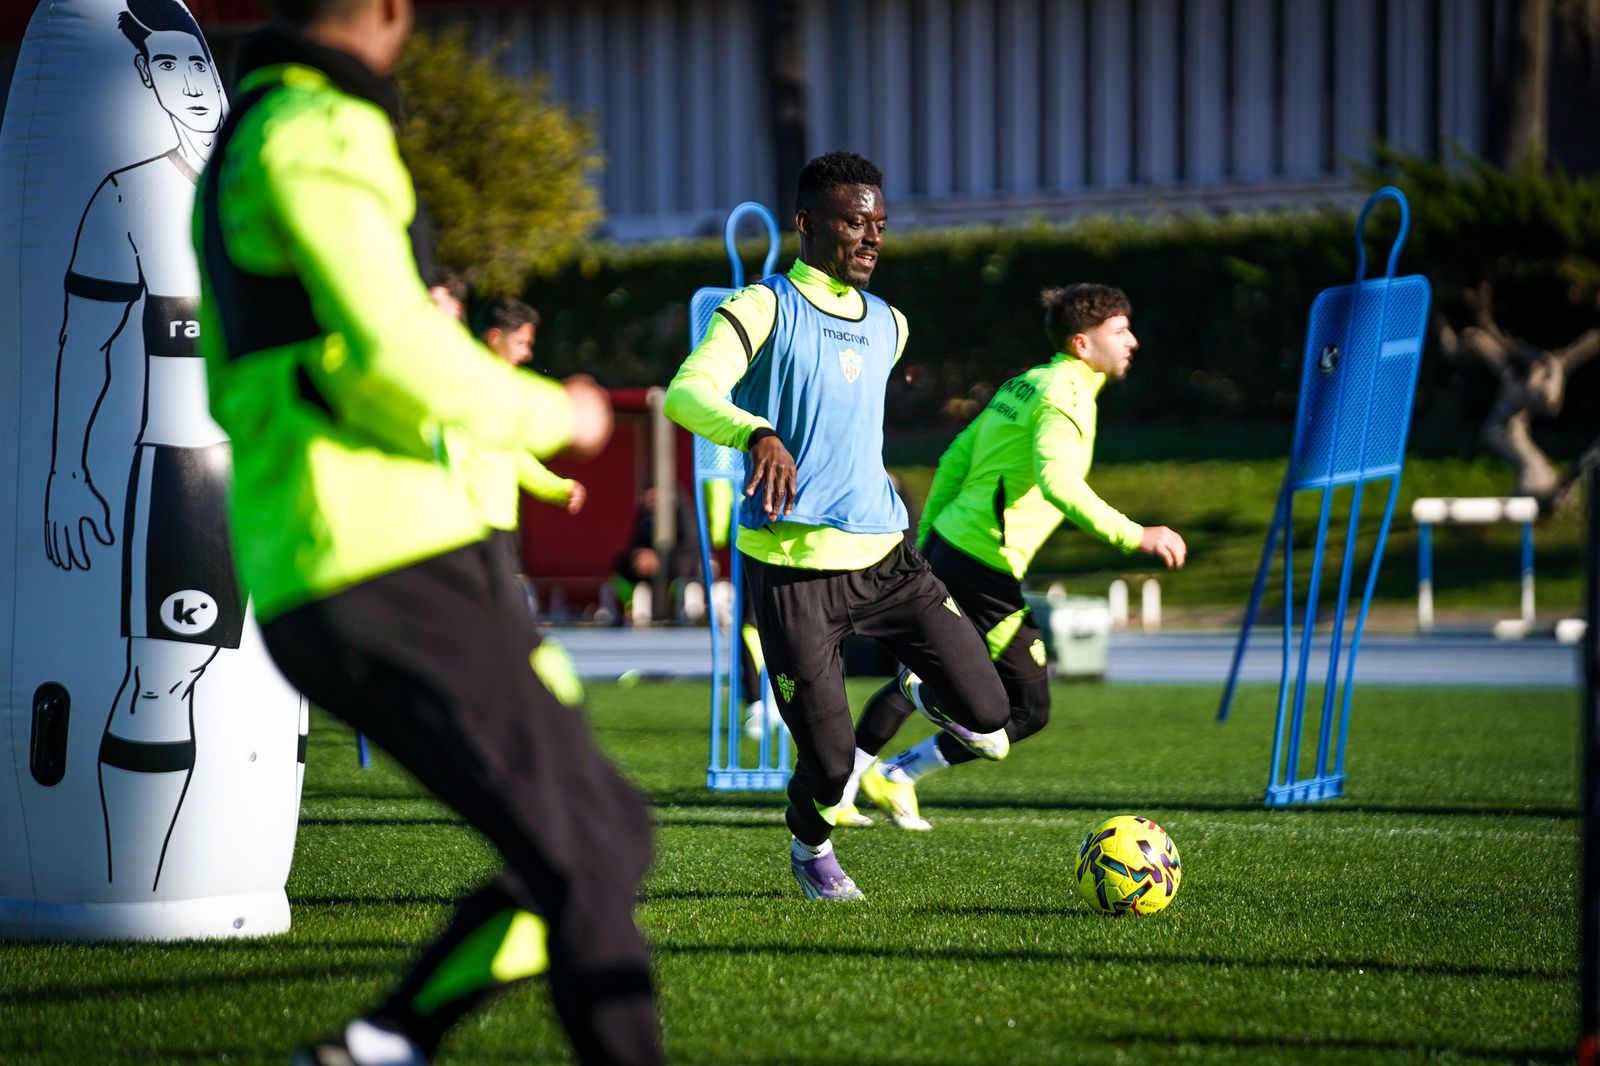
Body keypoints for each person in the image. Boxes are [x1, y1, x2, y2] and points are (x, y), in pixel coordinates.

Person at [191, 0, 660, 1062]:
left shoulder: (258, 139)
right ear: (390, 12)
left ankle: (382, 1041)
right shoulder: (313, 130)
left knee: (609, 835)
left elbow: (296, 364)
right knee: (582, 856)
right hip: (371, 559)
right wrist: (558, 413)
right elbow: (394, 347)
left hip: (380, 554)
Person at [664, 150, 1010, 900]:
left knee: (990, 716)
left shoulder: (892, 323)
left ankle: (924, 691)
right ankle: (810, 846)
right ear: (807, 223)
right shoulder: (763, 307)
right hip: (792, 574)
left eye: (880, 225)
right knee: (825, 766)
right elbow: (687, 395)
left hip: (889, 562)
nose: (872, 238)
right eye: (855, 223)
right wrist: (755, 431)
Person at [847, 283, 1188, 830]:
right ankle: (896, 774)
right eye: (1120, 330)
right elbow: (1059, 483)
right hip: (984, 566)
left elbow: (958, 452)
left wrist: (928, 536)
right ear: (1082, 342)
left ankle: (853, 784)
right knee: (1025, 708)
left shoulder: (1027, 383)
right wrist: (1134, 536)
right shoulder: (1067, 395)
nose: (1133, 341)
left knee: (923, 675)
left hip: (955, 548)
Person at [44, 0, 234, 891]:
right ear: (146, 85)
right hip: (187, 473)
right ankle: (138, 893)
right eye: (165, 69)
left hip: (293, 478)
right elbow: (82, 344)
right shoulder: (128, 193)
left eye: (195, 62)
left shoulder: (284, 188)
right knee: (164, 680)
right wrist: (66, 472)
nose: (188, 84)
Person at [459, 296, 586, 581]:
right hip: (468, 523)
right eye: (521, 343)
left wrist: (556, 487)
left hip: (500, 521)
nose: (527, 354)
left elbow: (514, 455)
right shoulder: (464, 385)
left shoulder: (504, 390)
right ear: (495, 338)